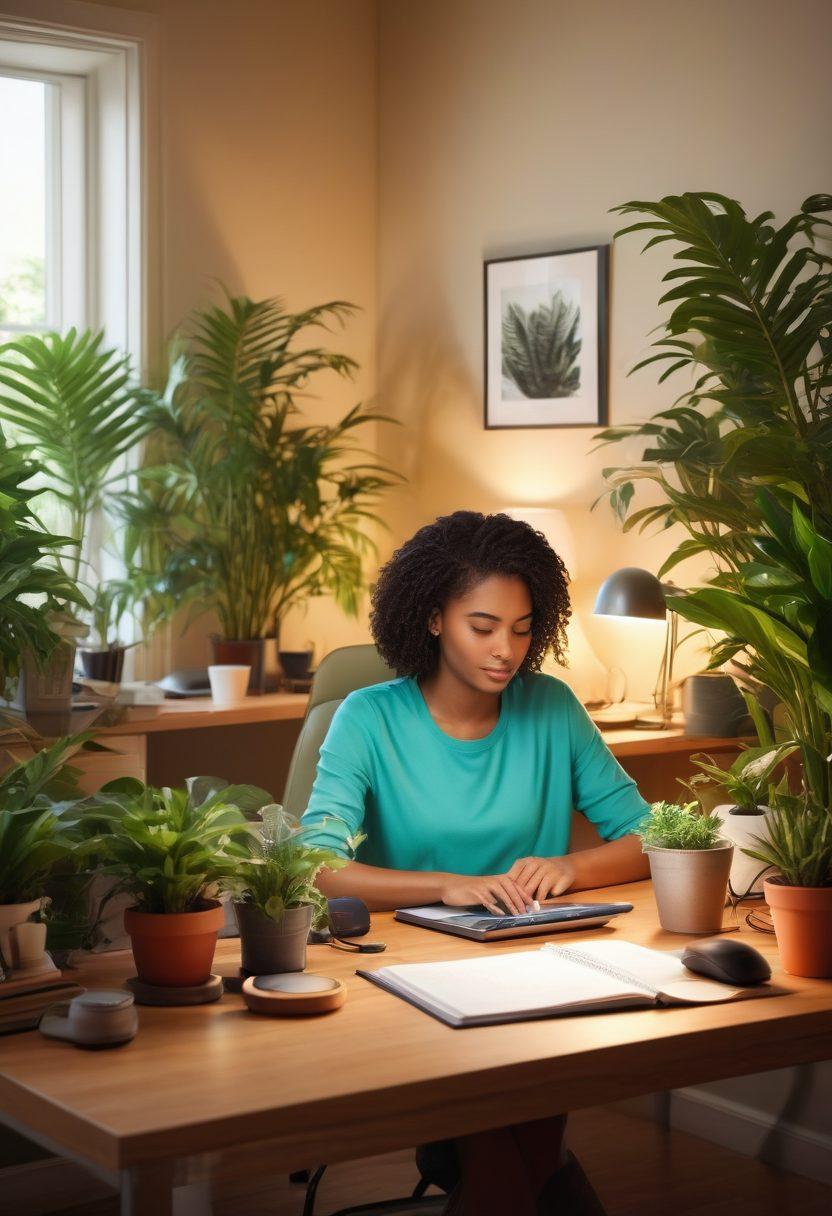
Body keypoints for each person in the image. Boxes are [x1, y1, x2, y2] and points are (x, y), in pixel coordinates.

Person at [301, 510, 650, 1216]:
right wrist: (451, 886)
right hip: (410, 982)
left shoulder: (551, 707)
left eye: (523, 629)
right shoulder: (367, 718)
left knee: (523, 1139)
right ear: (432, 618)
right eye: (483, 627)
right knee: (525, 1150)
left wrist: (570, 869)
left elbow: (652, 836)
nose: (507, 650)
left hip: (539, 968)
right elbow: (316, 866)